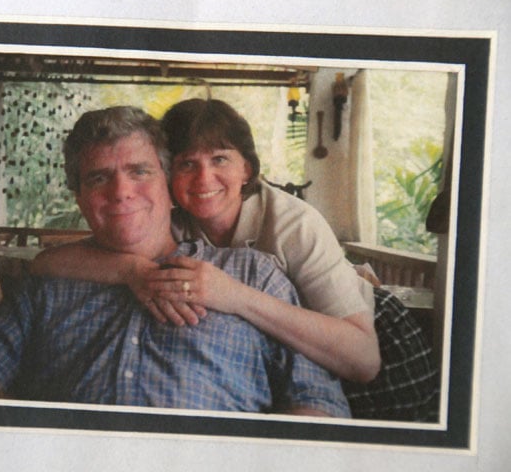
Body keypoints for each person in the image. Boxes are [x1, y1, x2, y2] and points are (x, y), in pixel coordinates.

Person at [0, 105, 351, 418]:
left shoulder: (255, 274)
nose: (121, 192)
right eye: (99, 178)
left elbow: (318, 400)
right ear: (80, 198)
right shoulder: (45, 289)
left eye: (139, 171)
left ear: (170, 187)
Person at [30, 98, 381, 384]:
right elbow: (46, 263)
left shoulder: (294, 224)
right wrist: (133, 271)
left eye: (220, 159)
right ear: (168, 176)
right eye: (186, 164)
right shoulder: (175, 222)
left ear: (247, 168)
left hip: (364, 337)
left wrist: (234, 296)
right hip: (299, 352)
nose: (203, 178)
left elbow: (364, 360)